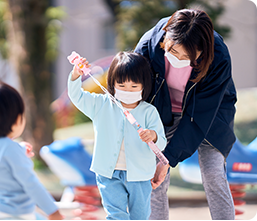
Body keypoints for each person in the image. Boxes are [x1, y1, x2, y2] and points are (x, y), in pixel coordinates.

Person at [134, 9, 237, 220]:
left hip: (210, 115)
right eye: (172, 51)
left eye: (186, 57)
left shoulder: (219, 58)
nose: (177, 60)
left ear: (203, 51)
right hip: (162, 112)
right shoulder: (148, 47)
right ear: (166, 36)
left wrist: (168, 159)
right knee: (153, 175)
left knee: (213, 173)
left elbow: (199, 117)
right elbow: (130, 86)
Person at [68, 51, 167, 220]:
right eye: (121, 85)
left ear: (144, 85)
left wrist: (153, 135)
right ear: (112, 83)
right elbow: (77, 96)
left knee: (140, 216)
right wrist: (76, 75)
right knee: (116, 215)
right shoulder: (102, 104)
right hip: (108, 173)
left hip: (140, 175)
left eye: (134, 86)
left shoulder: (149, 111)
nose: (127, 90)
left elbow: (162, 143)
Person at [0, 81, 63, 220]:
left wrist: (19, 149)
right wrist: (52, 211)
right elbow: (31, 183)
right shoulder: (11, 150)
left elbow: (2, 157)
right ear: (17, 119)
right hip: (14, 214)